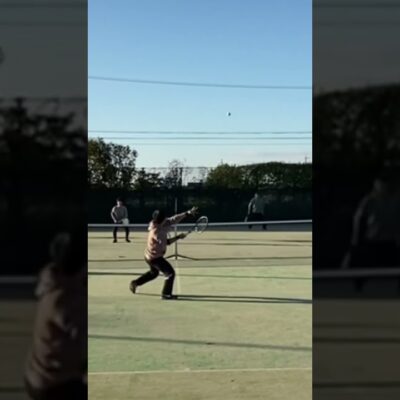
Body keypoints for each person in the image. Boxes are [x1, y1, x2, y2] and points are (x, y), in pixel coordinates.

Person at [25, 225, 87, 400]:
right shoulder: (64, 299)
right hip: (54, 382)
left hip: (41, 373)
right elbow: (83, 335)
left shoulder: (54, 281)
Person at [130, 206, 198, 300]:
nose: (167, 219)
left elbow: (173, 219)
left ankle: (135, 283)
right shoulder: (158, 232)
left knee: (153, 273)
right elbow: (167, 242)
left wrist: (188, 213)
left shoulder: (156, 223)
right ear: (162, 219)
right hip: (155, 258)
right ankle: (166, 294)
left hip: (148, 255)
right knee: (170, 274)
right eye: (165, 217)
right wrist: (178, 237)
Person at [342, 169, 400, 271]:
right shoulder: (369, 201)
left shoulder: (395, 201)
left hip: (390, 243)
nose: (383, 187)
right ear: (376, 185)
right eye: (381, 183)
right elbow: (358, 221)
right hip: (372, 243)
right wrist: (355, 242)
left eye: (385, 183)